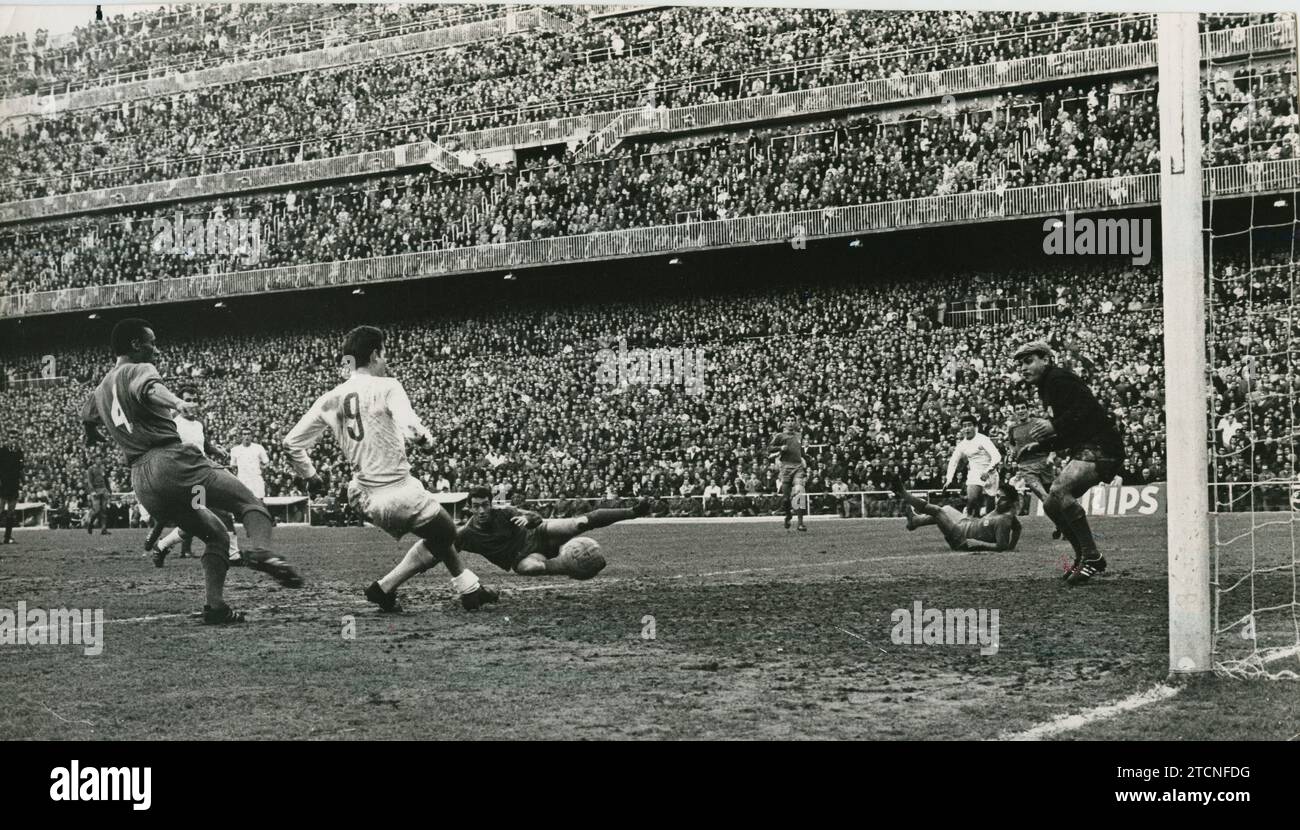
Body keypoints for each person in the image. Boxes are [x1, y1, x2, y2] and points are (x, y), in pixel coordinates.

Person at [80, 318, 303, 625]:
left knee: (216, 536)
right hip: (171, 461)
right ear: (136, 344)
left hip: (141, 479)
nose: (155, 349)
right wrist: (177, 402)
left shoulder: (102, 387)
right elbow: (147, 389)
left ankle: (216, 607)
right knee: (250, 504)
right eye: (152, 342)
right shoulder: (139, 369)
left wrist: (91, 432)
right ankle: (263, 552)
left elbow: (88, 414)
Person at [283, 325, 497, 613]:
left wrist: (311, 475)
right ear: (374, 355)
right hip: (398, 492)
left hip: (361, 495)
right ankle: (385, 587)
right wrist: (428, 442)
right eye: (384, 355)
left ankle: (470, 589)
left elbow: (291, 443)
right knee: (448, 534)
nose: (386, 361)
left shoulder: (330, 398)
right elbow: (411, 427)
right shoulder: (388, 386)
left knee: (436, 533)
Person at [1012, 340, 1126, 584]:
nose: (1023, 368)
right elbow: (1072, 429)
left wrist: (1054, 425)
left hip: (1103, 445)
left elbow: (1088, 410)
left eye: (1029, 361)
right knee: (1052, 505)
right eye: (1020, 364)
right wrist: (1043, 445)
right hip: (1086, 445)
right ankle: (1084, 556)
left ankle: (1093, 556)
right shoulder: (1047, 386)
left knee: (1059, 490)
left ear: (1046, 359)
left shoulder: (1057, 379)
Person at [455, 485, 649, 577]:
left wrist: (528, 519)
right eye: (476, 506)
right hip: (523, 557)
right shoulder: (467, 534)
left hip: (539, 534)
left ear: (491, 504)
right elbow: (443, 547)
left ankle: (633, 511)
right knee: (532, 568)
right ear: (469, 507)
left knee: (579, 522)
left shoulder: (505, 512)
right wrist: (424, 563)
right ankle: (574, 567)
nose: (481, 510)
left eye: (485, 505)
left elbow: (536, 518)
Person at [146, 386, 243, 567]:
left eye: (194, 400)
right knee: (211, 516)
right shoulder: (173, 425)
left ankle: (162, 546)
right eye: (187, 400)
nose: (191, 404)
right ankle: (233, 554)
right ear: (180, 403)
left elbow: (204, 445)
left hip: (204, 475)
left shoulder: (199, 424)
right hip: (186, 479)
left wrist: (216, 450)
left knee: (201, 520)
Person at [893, 478, 1022, 553]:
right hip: (966, 524)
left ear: (1010, 502)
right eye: (997, 496)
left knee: (938, 512)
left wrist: (979, 543)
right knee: (947, 509)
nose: (997, 500)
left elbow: (1001, 547)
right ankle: (915, 521)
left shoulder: (1003, 519)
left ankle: (903, 493)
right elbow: (1018, 528)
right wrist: (1013, 547)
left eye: (1002, 498)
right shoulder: (1006, 512)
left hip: (961, 540)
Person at [1005, 397, 1060, 539]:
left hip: (1044, 464)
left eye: (1023, 408)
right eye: (1018, 409)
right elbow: (1011, 443)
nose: (1021, 411)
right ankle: (1063, 525)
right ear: (1015, 412)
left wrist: (1051, 456)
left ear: (1028, 409)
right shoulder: (1013, 428)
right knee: (1044, 496)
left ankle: (1060, 525)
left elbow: (1054, 440)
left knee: (1053, 496)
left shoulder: (1038, 423)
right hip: (1026, 466)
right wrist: (1012, 451)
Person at [945, 415, 1003, 517]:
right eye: (964, 426)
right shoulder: (962, 445)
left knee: (990, 512)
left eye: (969, 425)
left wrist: (988, 470)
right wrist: (949, 479)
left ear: (975, 427)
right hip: (975, 473)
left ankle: (983, 519)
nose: (967, 428)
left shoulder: (983, 439)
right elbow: (953, 461)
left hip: (990, 474)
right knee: (972, 499)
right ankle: (971, 520)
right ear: (962, 429)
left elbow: (997, 456)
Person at [768, 416, 808, 531]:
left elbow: (799, 451)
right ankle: (788, 515)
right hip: (785, 468)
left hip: (798, 468)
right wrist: (780, 447)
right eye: (788, 421)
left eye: (792, 421)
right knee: (786, 499)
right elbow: (769, 448)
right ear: (785, 423)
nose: (790, 423)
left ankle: (800, 524)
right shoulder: (780, 436)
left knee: (799, 494)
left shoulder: (799, 435)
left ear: (795, 423)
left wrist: (806, 459)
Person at [229, 429, 271, 500]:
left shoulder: (259, 448)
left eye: (248, 434)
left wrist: (262, 469)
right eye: (244, 434)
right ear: (241, 436)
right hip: (243, 480)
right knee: (244, 502)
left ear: (251, 436)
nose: (247, 436)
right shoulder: (235, 450)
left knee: (259, 501)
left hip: (256, 479)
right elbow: (233, 466)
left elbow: (267, 462)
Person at [0, 427, 21, 545]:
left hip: (13, 486)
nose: (13, 440)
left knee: (11, 513)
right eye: (11, 438)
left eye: (16, 438)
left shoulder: (19, 453)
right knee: (0, 510)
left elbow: (20, 470)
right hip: (3, 486)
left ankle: (7, 537)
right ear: (7, 439)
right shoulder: (2, 451)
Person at [84, 456, 112, 535]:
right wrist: (92, 491)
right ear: (95, 460)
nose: (100, 460)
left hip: (103, 490)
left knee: (104, 510)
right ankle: (90, 524)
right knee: (96, 510)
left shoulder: (102, 468)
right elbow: (90, 481)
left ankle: (104, 529)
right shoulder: (91, 469)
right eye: (99, 459)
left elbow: (106, 480)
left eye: (100, 459)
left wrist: (109, 490)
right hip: (96, 490)